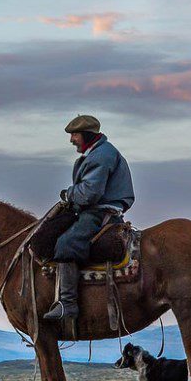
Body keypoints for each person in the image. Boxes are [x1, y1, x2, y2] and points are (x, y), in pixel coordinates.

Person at [44, 114, 135, 322]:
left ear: (86, 134)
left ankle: (68, 304)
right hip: (94, 209)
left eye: (74, 134)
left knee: (67, 244)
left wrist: (69, 193)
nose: (71, 140)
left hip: (99, 212)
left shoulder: (101, 156)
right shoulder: (97, 153)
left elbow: (90, 193)